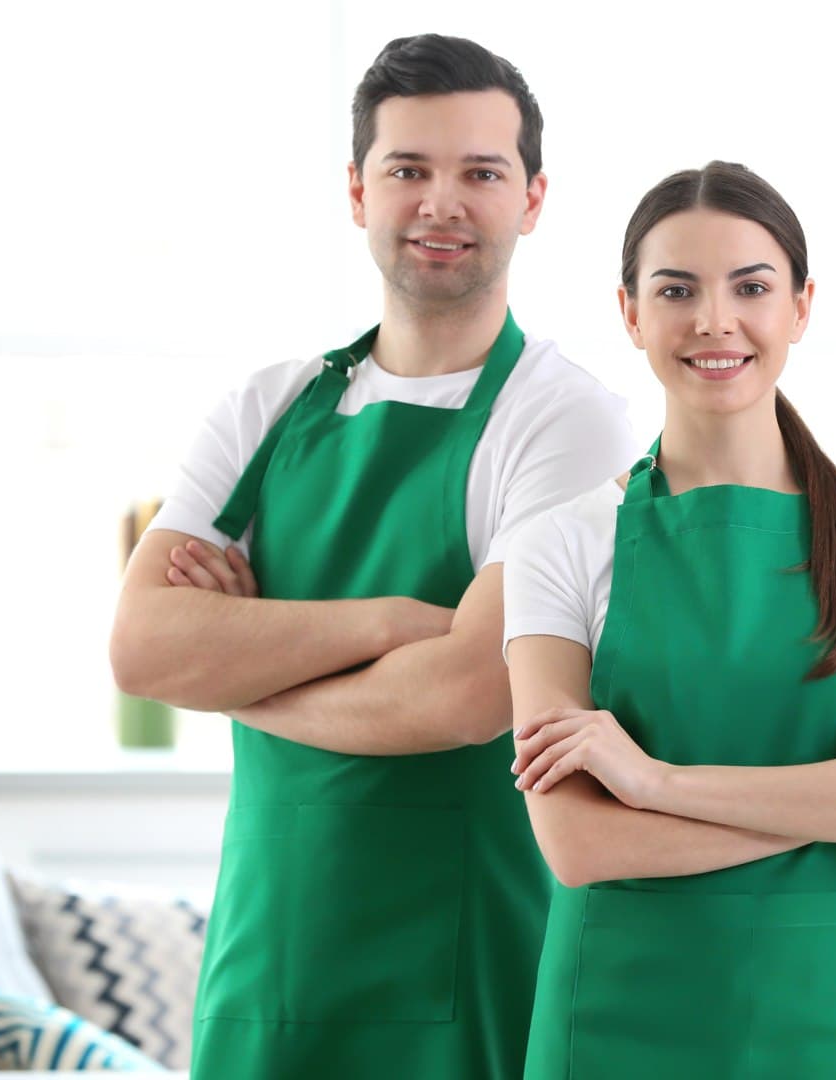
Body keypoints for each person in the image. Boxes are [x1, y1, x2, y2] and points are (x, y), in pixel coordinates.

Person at [106, 34, 637, 1079]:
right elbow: (142, 650)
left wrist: (241, 674)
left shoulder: (564, 421)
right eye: (409, 170)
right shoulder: (267, 404)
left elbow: (464, 696)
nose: (443, 202)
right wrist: (389, 624)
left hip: (466, 969)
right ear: (358, 192)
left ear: (533, 199)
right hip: (269, 965)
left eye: (481, 173)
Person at [501, 161, 836, 1080]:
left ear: (800, 307)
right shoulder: (561, 544)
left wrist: (653, 782)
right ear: (631, 313)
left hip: (826, 1016)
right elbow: (581, 841)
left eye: (750, 287)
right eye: (677, 290)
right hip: (614, 1022)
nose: (716, 320)